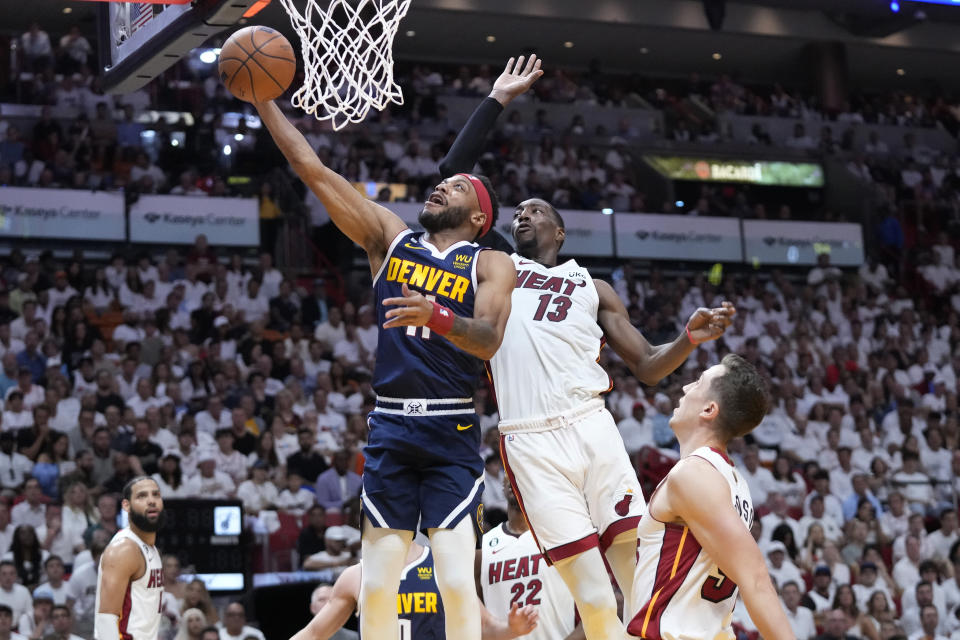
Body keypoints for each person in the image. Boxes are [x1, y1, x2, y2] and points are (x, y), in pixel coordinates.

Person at [441, 56, 735, 638]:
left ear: (560, 233)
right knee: (593, 595)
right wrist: (497, 98)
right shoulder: (498, 264)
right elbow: (454, 168)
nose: (523, 214)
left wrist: (687, 338)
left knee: (636, 571)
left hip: (591, 425)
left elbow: (650, 366)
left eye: (536, 211)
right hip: (528, 436)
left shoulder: (591, 286)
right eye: (517, 211)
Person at [253, 55, 523, 640]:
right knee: (378, 584)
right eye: (439, 182)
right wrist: (260, 100)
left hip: (452, 431)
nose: (438, 186)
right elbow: (312, 166)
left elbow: (489, 340)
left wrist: (438, 316)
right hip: (391, 428)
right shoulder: (389, 239)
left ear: (478, 216)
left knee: (454, 579)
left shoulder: (491, 262)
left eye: (453, 186)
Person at [626, 355, 793, 640]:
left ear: (708, 409)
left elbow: (756, 578)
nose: (685, 387)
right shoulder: (735, 483)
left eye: (698, 382)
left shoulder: (694, 474)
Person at [290, 539, 537, 640]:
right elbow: (313, 634)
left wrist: (511, 629)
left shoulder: (443, 567)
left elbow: (483, 626)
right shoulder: (357, 574)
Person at [478, 477, 580, 640]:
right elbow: (474, 617)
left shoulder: (562, 537)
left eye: (520, 469)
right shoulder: (483, 546)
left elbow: (597, 606)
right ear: (502, 485)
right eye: (509, 469)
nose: (514, 475)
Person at [94, 477, 164, 640]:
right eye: (142, 496)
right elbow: (106, 619)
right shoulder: (124, 550)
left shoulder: (149, 547)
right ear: (126, 506)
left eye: (156, 495)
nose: (151, 501)